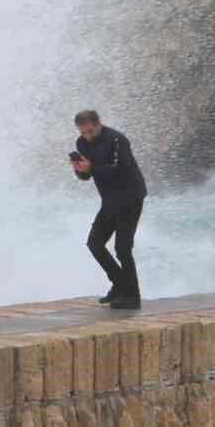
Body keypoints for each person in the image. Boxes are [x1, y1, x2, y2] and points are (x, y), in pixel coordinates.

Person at [69, 108, 147, 310]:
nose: (88, 136)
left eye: (91, 131)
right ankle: (120, 285)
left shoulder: (116, 140)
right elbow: (88, 176)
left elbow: (119, 169)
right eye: (83, 132)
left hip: (130, 197)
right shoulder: (81, 144)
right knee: (94, 243)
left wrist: (91, 168)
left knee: (122, 248)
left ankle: (132, 296)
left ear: (98, 124)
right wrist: (80, 171)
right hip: (110, 201)